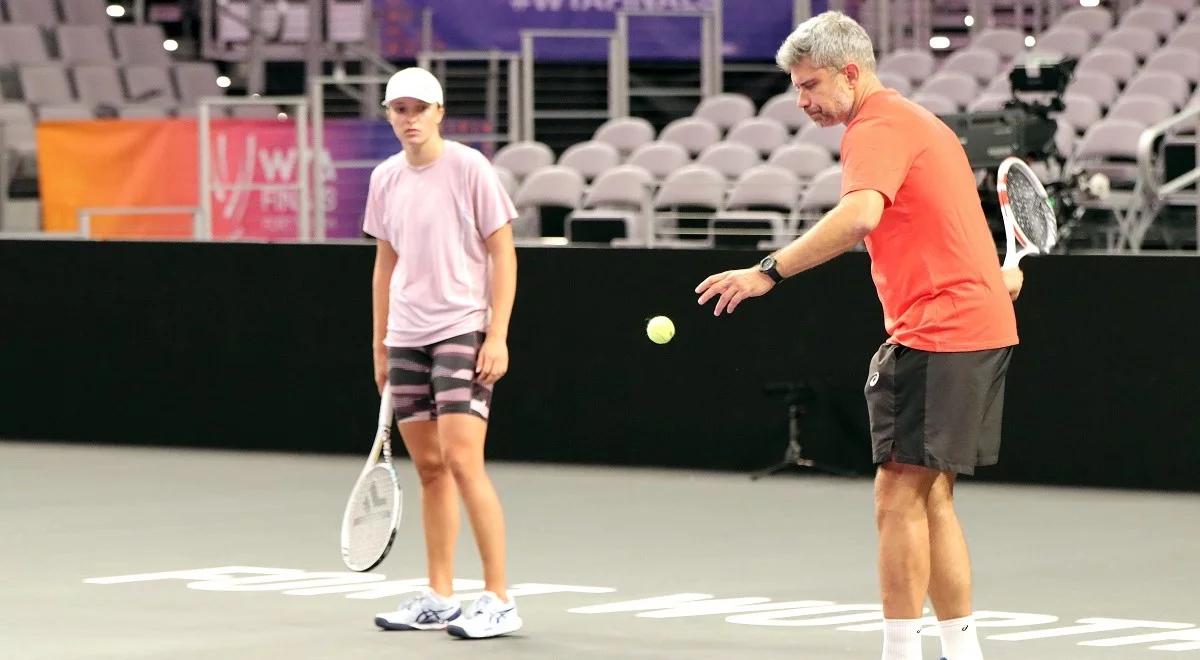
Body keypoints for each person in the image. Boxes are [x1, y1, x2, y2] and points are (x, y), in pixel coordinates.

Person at [694, 12, 1024, 660]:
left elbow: (859, 215)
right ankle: (963, 651)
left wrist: (768, 271)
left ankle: (898, 652)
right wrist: (994, 277)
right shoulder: (921, 124)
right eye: (796, 88)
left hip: (937, 331)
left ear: (852, 72)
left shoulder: (876, 125)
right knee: (932, 496)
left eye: (811, 84)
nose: (803, 100)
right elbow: (946, 227)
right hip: (978, 324)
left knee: (897, 496)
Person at [365, 67, 522, 639]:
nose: (408, 119)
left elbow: (503, 254)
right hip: (405, 334)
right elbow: (385, 265)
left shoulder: (469, 168)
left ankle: (499, 598)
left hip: (461, 328)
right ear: (390, 114)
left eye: (418, 108)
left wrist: (497, 334)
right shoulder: (384, 178)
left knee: (462, 460)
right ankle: (439, 594)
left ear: (438, 112)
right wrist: (381, 344)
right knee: (430, 468)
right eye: (398, 109)